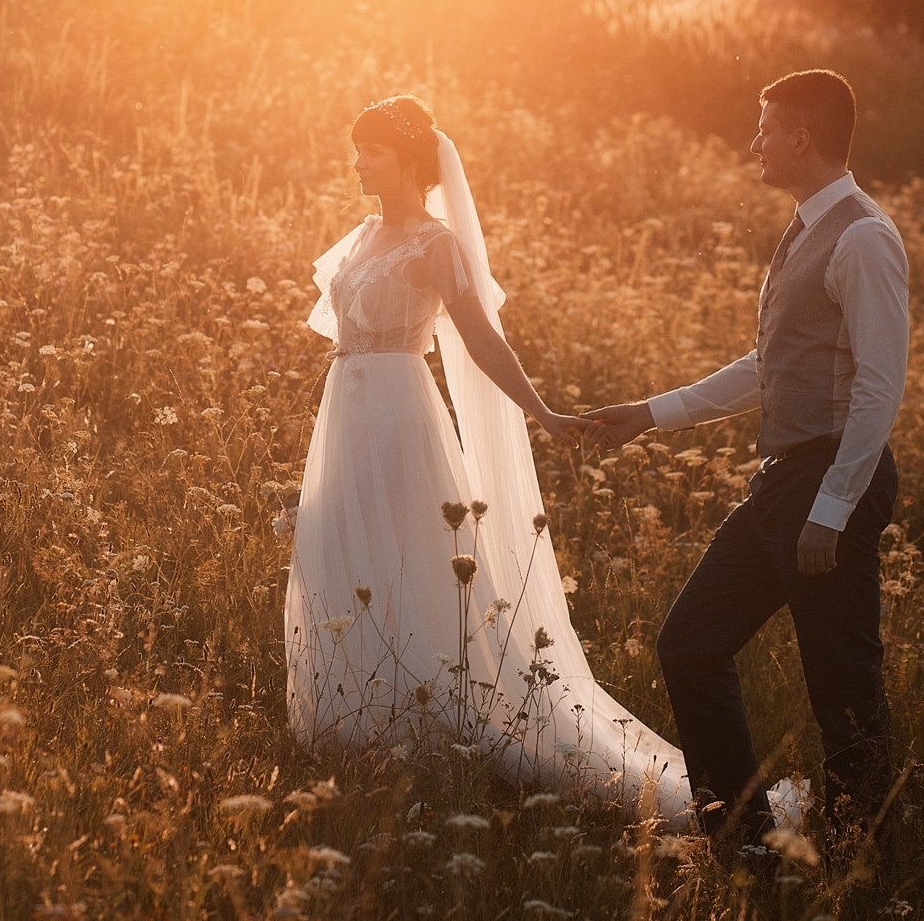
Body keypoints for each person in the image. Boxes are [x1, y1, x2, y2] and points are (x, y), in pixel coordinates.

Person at [285, 94, 745, 822]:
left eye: (369, 149)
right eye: (356, 147)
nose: (356, 160)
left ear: (406, 157)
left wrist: (541, 411)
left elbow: (480, 339)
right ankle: (359, 722)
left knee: (405, 562)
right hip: (344, 409)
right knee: (341, 553)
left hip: (400, 414)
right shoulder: (364, 234)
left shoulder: (436, 244)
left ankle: (427, 722)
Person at [586, 70, 908, 852]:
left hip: (829, 481)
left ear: (801, 137)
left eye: (764, 129)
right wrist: (650, 414)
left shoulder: (863, 236)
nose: (753, 143)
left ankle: (864, 864)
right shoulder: (803, 227)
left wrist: (830, 509)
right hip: (782, 481)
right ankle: (740, 836)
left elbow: (878, 384)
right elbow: (769, 361)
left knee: (842, 688)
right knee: (689, 642)